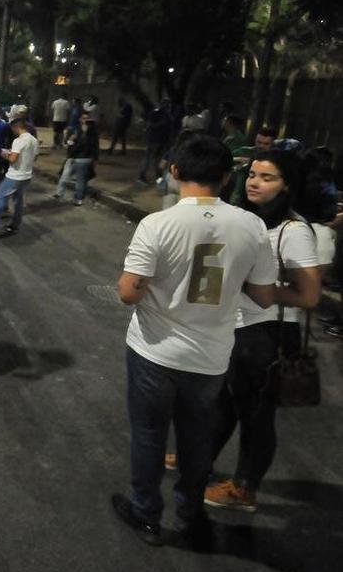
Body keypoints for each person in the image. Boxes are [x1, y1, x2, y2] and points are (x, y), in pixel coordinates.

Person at [112, 134, 277, 548]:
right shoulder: (251, 224)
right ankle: (192, 513)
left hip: (154, 349)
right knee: (196, 437)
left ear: (175, 171)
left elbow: (128, 291)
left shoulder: (159, 223)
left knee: (150, 434)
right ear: (226, 177)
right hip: (210, 357)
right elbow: (262, 294)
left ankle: (147, 513)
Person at [203, 150, 321, 513]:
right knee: (225, 403)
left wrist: (258, 289)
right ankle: (199, 459)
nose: (254, 182)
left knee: (256, 415)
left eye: (267, 177)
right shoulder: (252, 220)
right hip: (241, 327)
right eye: (252, 174)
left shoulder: (294, 231)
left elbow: (310, 295)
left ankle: (244, 488)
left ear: (287, 185)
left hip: (268, 333)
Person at [0, 115, 39, 235]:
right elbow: (35, 157)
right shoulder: (34, 140)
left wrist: (4, 154)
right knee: (18, 202)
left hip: (14, 176)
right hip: (27, 176)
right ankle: (15, 224)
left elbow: (12, 159)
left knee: (0, 198)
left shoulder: (18, 140)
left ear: (16, 127)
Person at [52, 110, 99, 206]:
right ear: (80, 119)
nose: (85, 121)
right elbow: (67, 143)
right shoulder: (75, 129)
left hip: (84, 159)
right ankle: (59, 193)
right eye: (83, 118)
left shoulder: (92, 131)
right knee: (64, 177)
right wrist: (71, 140)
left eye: (87, 118)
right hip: (72, 157)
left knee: (80, 181)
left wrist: (95, 159)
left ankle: (78, 199)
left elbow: (95, 146)